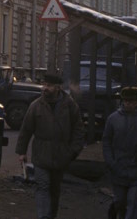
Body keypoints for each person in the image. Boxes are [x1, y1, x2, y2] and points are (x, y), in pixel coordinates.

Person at [15, 73, 85, 219]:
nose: (45, 88)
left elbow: (78, 130)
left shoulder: (69, 105)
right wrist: (21, 152)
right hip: (41, 155)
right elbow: (26, 129)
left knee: (54, 190)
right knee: (42, 187)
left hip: (61, 156)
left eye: (49, 86)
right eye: (44, 85)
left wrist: (73, 152)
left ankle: (50, 216)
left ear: (58, 88)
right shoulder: (36, 106)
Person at [102, 86, 137, 219]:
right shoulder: (113, 119)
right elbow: (106, 142)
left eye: (132, 101)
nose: (128, 104)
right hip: (118, 169)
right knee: (120, 202)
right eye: (126, 101)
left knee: (134, 203)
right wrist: (111, 162)